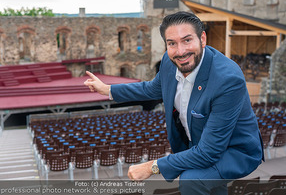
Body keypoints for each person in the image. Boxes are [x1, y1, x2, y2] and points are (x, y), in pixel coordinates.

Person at [84, 11, 264, 195]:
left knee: (192, 180)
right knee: (210, 183)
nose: (180, 51)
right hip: (201, 142)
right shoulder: (169, 62)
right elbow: (151, 89)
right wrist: (108, 90)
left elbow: (209, 153)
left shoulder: (228, 80)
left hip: (234, 151)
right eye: (172, 43)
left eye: (187, 40)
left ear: (202, 38)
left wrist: (151, 167)